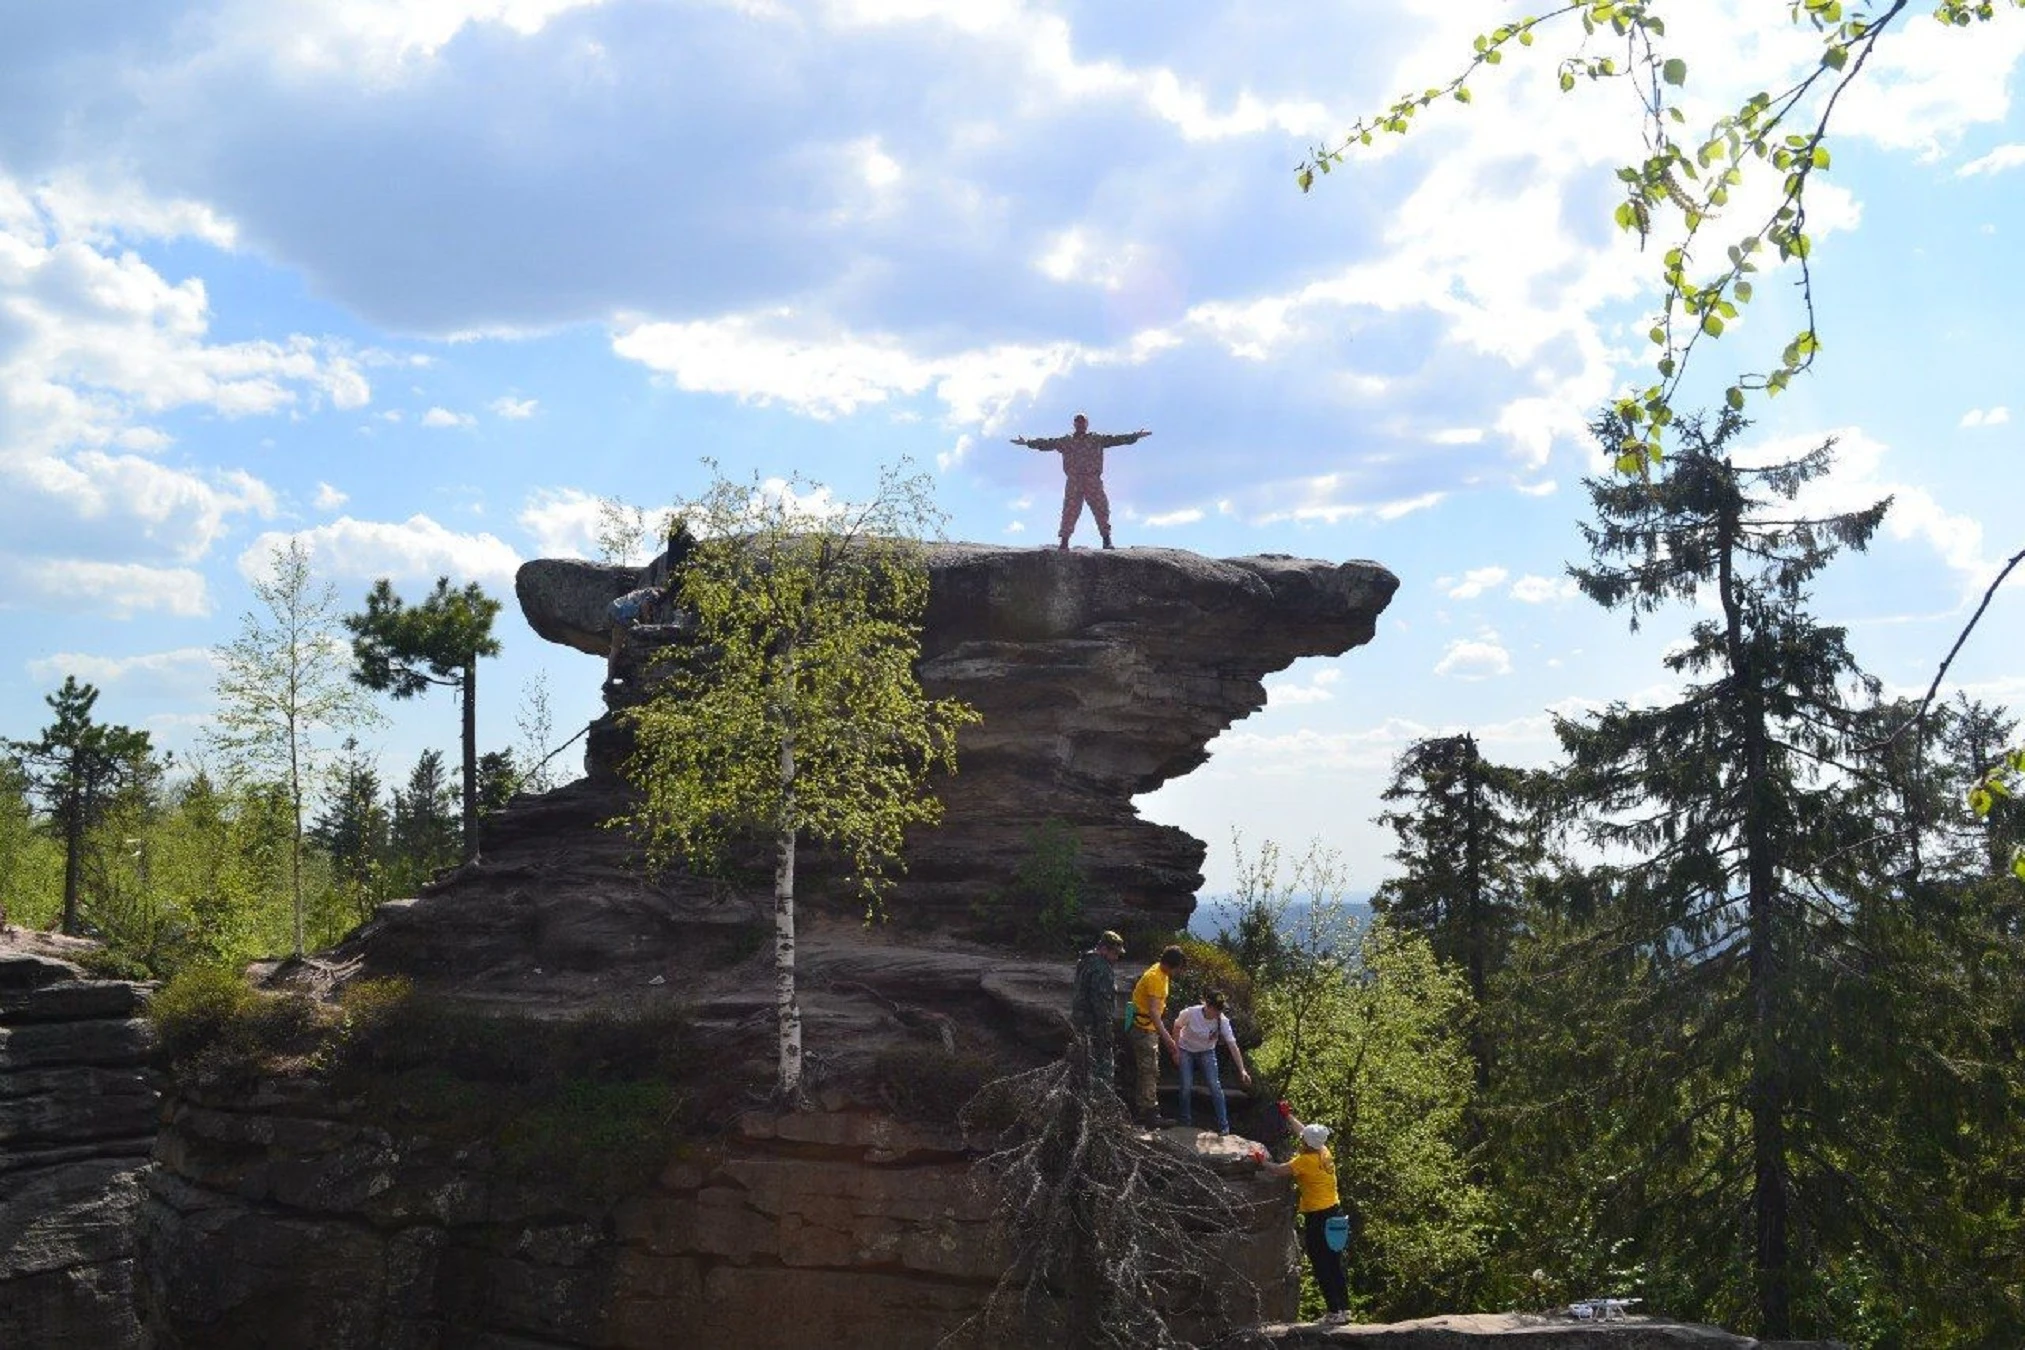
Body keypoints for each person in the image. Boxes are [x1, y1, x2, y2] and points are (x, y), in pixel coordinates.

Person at [1256, 1103, 1352, 1325]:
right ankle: (1344, 1309)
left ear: (1306, 1144)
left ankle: (1334, 1312)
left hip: (1318, 1217)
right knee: (1335, 1264)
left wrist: (1262, 1162)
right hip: (1335, 1212)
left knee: (1321, 1264)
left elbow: (1279, 1170)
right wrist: (1288, 1116)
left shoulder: (1304, 1161)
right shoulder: (1324, 1152)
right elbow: (1304, 1131)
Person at [1010, 413, 1151, 550]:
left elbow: (1116, 439)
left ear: (1087, 424)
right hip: (1074, 480)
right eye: (1077, 421)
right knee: (1070, 511)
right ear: (1074, 424)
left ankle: (1106, 540)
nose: (1080, 424)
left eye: (1082, 421)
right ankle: (1064, 542)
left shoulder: (1096, 439)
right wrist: (1027, 442)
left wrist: (1135, 436)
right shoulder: (1066, 441)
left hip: (1092, 479)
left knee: (1101, 508)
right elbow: (1047, 443)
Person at [1173, 991, 1251, 1134]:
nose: (1218, 1012)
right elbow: (1177, 1027)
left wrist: (1242, 1070)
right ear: (1207, 1006)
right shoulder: (1190, 1013)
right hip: (1186, 1050)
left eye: (1220, 1009)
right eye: (1216, 1008)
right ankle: (1185, 1121)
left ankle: (1223, 1125)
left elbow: (1232, 1045)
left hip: (1207, 1051)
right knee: (1186, 1085)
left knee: (1214, 1086)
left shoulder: (1222, 1021)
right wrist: (1176, 1051)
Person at [1127, 944, 1187, 1128]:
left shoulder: (1160, 971)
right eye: (1179, 968)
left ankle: (1142, 1111)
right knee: (1149, 1071)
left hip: (1147, 1028)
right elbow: (1153, 1012)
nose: (1179, 972)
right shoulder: (1155, 978)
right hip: (1144, 1029)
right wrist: (1168, 1039)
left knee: (1146, 1070)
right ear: (1173, 966)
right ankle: (1150, 1115)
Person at [1070, 929, 1126, 1091]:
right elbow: (1101, 1006)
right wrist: (1106, 1035)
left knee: (1081, 1066)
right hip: (1094, 1028)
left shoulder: (1085, 961)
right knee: (1101, 1070)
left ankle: (1079, 1102)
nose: (1116, 958)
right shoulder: (1102, 970)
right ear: (1103, 949)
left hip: (1079, 1023)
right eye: (1114, 953)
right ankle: (1100, 1106)